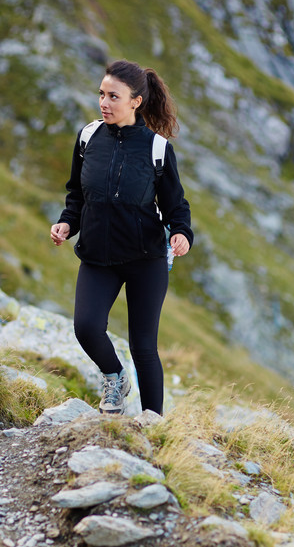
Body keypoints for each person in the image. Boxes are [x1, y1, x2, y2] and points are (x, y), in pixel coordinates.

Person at [50, 58, 193, 416]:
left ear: (136, 101)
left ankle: (153, 425)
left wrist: (181, 233)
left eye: (113, 96)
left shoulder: (156, 148)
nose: (104, 102)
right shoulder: (88, 138)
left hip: (146, 259)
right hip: (98, 255)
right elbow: (77, 194)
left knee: (144, 347)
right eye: (101, 94)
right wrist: (68, 223)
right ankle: (114, 376)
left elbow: (176, 206)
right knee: (86, 326)